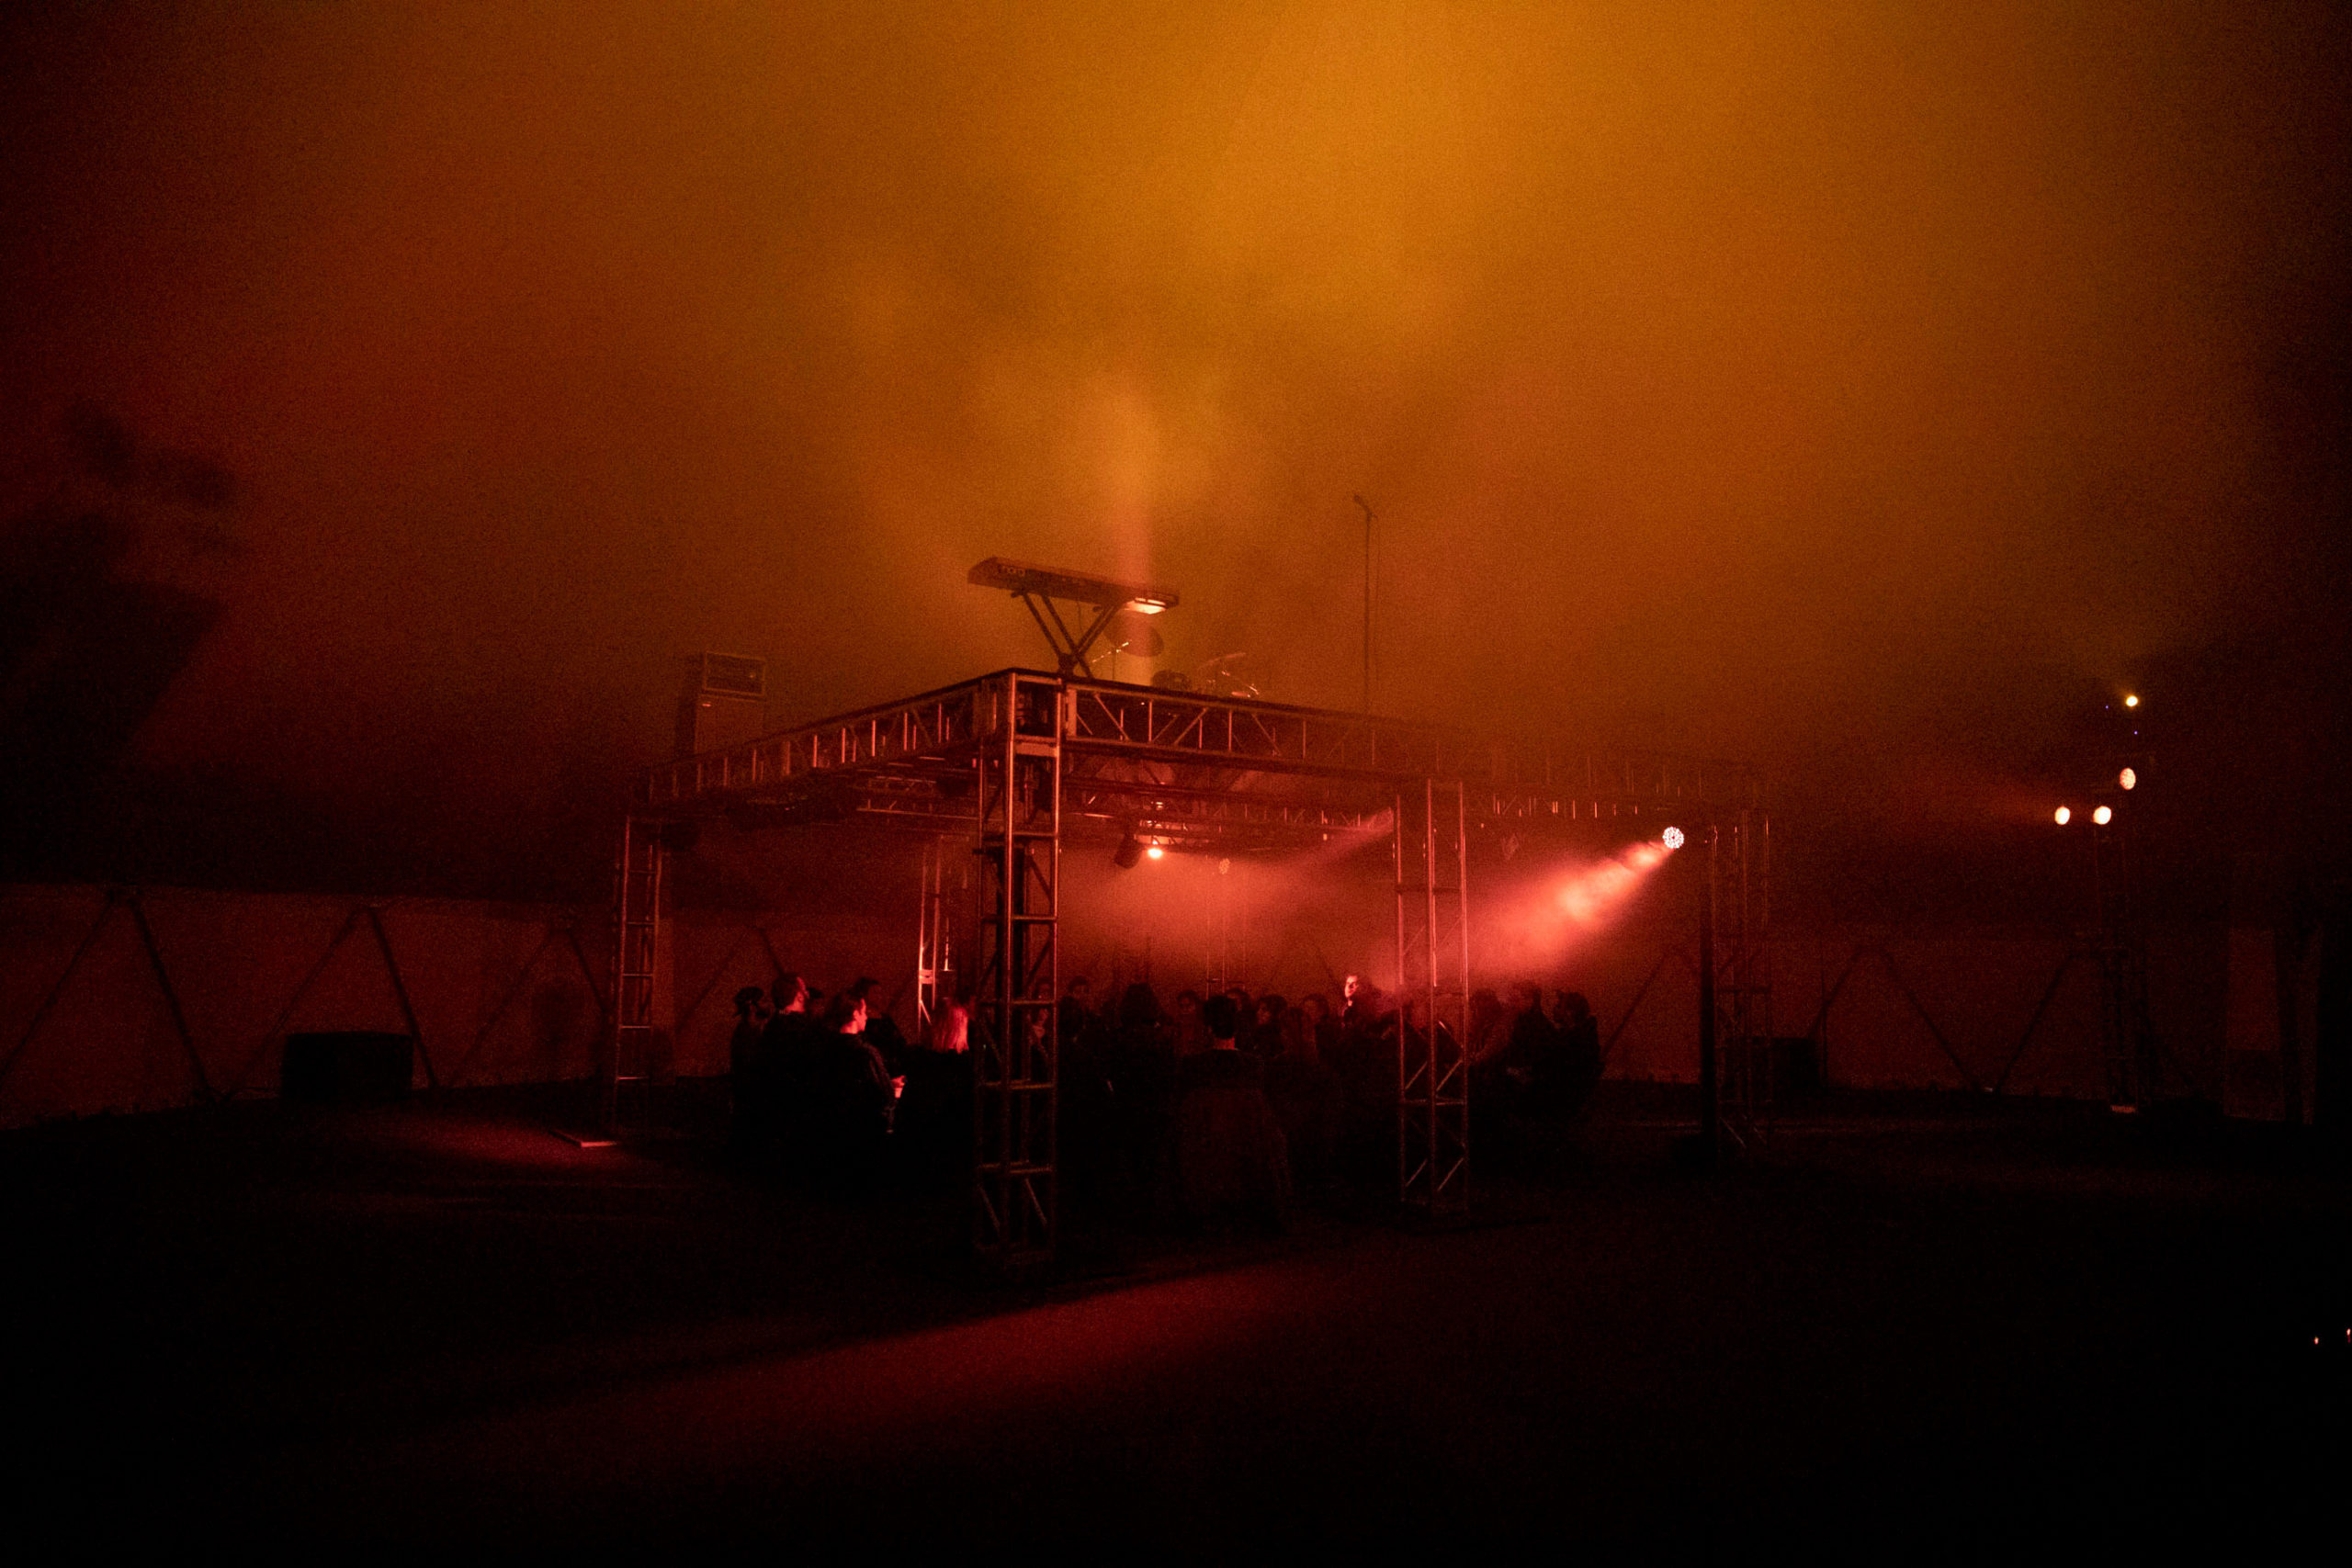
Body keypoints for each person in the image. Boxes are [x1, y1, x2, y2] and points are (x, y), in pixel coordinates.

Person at [1172, 994, 1289, 1229]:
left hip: (1205, 1151)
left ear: (1207, 1027)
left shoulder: (1193, 1066)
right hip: (1245, 1151)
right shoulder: (1254, 1065)